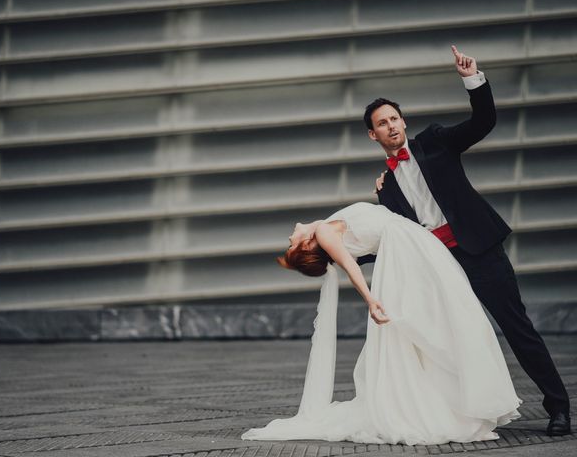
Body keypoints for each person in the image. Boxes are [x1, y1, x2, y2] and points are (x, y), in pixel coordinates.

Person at [364, 45, 570, 436]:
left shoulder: (435, 141)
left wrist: (472, 79)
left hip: (478, 250)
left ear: (403, 122)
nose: (391, 125)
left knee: (517, 327)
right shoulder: (386, 186)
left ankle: (559, 407)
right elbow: (392, 238)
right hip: (438, 266)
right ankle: (461, 415)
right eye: (382, 122)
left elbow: (484, 121)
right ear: (372, 134)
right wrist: (332, 253)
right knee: (449, 341)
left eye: (395, 118)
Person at [241, 201, 521, 445]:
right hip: (407, 250)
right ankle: (448, 402)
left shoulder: (327, 226)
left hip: (410, 245)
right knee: (440, 319)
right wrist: (371, 300)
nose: (290, 236)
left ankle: (450, 398)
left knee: (439, 320)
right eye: (292, 244)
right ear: (307, 244)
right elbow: (351, 268)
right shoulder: (326, 232)